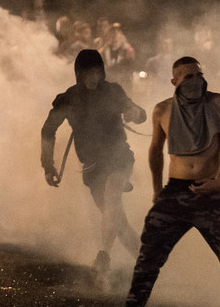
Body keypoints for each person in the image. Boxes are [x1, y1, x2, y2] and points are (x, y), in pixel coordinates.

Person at [104, 56, 220, 307]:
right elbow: (155, 150)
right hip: (176, 192)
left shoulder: (217, 103)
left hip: (211, 192)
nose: (194, 81)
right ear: (174, 81)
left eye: (198, 74)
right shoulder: (162, 110)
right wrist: (157, 190)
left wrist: (217, 180)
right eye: (187, 76)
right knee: (149, 256)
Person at [40, 50, 146, 281]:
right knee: (117, 222)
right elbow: (48, 130)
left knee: (111, 198)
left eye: (97, 71)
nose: (93, 77)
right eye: (88, 72)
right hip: (92, 168)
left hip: (119, 158)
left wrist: (133, 112)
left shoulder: (113, 91)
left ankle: (104, 255)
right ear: (79, 74)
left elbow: (140, 114)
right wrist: (48, 166)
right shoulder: (68, 99)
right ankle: (146, 265)